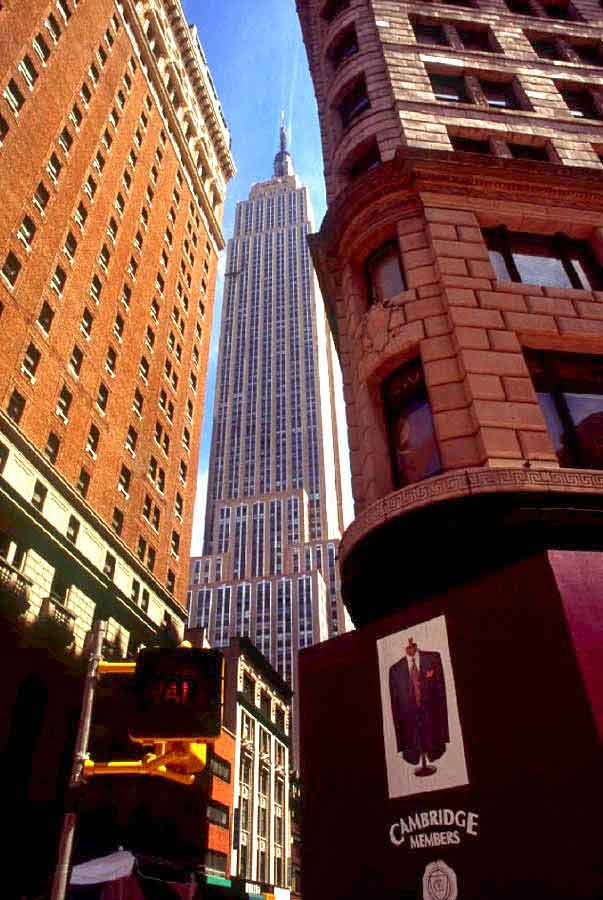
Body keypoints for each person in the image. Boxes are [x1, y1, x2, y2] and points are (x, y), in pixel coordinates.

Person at [388, 637, 449, 769]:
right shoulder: (395, 671)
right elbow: (396, 710)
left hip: (434, 738)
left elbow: (442, 699)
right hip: (412, 742)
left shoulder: (433, 659)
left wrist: (444, 736)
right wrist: (402, 745)